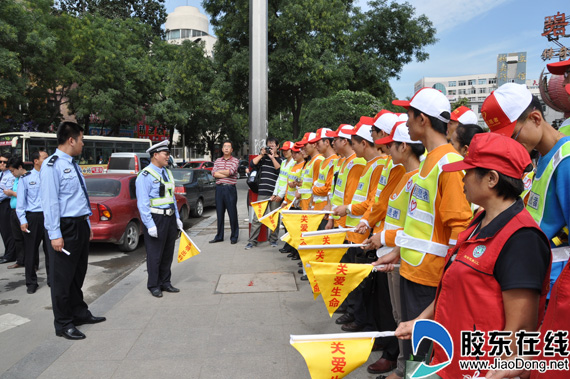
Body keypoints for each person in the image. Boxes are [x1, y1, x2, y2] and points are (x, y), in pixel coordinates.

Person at [395, 133, 551, 379]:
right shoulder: (478, 222)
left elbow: (520, 328)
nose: (463, 179)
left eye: (468, 172)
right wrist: (422, 321)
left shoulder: (522, 240)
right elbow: (454, 289)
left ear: (491, 179)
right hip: (449, 361)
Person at [377, 87, 473, 363]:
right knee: (413, 349)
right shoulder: (428, 164)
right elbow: (419, 221)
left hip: (431, 278)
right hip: (413, 269)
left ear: (423, 120)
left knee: (426, 354)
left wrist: (449, 279)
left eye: (409, 115)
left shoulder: (450, 165)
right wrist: (398, 251)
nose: (405, 122)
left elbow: (459, 227)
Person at [482, 83, 570, 302]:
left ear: (535, 118)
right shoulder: (541, 158)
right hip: (541, 279)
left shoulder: (566, 162)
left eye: (513, 136)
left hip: (558, 288)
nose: (509, 145)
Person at [363, 122, 425, 379]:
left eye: (390, 145)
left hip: (409, 257)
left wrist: (386, 238)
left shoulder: (418, 178)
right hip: (395, 252)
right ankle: (403, 367)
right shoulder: (402, 174)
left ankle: (405, 369)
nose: (385, 149)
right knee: (399, 315)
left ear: (404, 146)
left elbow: (416, 227)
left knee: (407, 320)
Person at [40, 121, 106, 340]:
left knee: (78, 275)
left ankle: (79, 313)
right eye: (82, 139)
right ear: (71, 140)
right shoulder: (52, 165)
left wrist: (86, 226)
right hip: (65, 227)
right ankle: (63, 323)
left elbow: (78, 200)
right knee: (62, 279)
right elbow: (50, 203)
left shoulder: (74, 164)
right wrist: (55, 234)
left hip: (79, 224)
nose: (83, 143)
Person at [136, 139, 184, 298]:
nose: (168, 157)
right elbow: (142, 204)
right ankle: (154, 285)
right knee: (155, 254)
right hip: (156, 218)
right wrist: (149, 224)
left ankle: (165, 282)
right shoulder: (145, 175)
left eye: (168, 154)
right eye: (166, 153)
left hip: (169, 217)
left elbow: (172, 198)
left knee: (168, 253)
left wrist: (177, 217)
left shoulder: (168, 172)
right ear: (155, 155)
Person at [17, 150, 50, 294]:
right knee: (31, 251)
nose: (47, 160)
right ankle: (31, 282)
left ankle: (52, 279)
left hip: (49, 216)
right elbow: (20, 202)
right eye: (44, 158)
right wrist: (23, 220)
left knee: (51, 250)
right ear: (36, 161)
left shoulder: (51, 176)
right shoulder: (26, 178)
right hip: (33, 217)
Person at [245, 137, 282, 249]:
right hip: (263, 191)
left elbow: (279, 169)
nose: (270, 147)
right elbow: (252, 164)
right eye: (268, 145)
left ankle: (273, 239)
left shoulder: (280, 160)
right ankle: (252, 241)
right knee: (257, 217)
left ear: (277, 147)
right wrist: (262, 154)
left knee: (274, 217)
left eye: (272, 146)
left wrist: (272, 157)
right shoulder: (263, 159)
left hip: (275, 193)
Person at [210, 141, 240, 244]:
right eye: (224, 146)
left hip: (230, 189)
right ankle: (219, 236)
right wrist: (225, 173)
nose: (226, 148)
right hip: (219, 189)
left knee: (232, 213)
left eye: (228, 147)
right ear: (222, 149)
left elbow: (231, 172)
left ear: (232, 150)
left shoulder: (235, 160)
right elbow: (213, 173)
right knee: (219, 213)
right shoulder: (217, 160)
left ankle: (234, 236)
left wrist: (221, 173)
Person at [310, 129, 338, 227]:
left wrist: (313, 189)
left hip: (326, 210)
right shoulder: (322, 161)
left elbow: (328, 188)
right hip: (318, 209)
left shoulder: (334, 161)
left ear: (327, 142)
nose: (315, 146)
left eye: (318, 143)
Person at [5, 157, 27, 270]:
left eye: (13, 171)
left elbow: (25, 196)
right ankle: (20, 260)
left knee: (28, 239)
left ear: (20, 167)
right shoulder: (17, 179)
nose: (12, 173)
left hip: (24, 212)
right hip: (14, 211)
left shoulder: (27, 178)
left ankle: (32, 263)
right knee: (17, 238)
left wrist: (11, 193)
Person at [0, 153, 16, 264]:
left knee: (7, 230)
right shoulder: (1, 174)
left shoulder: (10, 176)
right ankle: (7, 252)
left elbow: (6, 193)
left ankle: (10, 254)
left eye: (4, 162)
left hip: (6, 203)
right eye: (0, 161)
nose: (2, 164)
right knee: (3, 230)